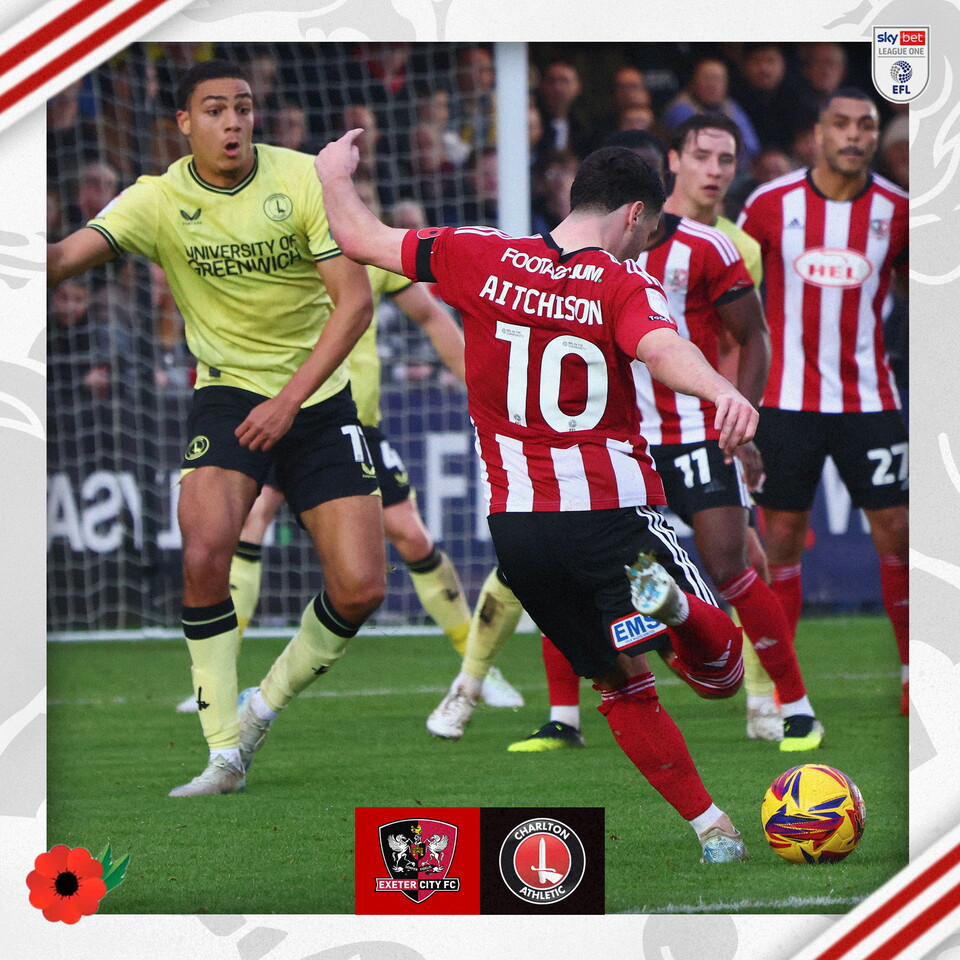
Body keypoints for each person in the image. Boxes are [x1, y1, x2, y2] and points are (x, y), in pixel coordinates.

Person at [316, 129, 759, 862]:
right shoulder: (624, 283)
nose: (645, 246)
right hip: (614, 515)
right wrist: (721, 391)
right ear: (634, 214)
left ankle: (713, 829)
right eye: (648, 231)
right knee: (723, 676)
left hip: (520, 532)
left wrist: (334, 173)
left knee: (620, 689)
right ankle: (677, 609)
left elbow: (359, 237)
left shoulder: (478, 254)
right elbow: (660, 347)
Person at [47, 59, 388, 797]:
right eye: (214, 110)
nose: (233, 122)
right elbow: (59, 260)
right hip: (228, 395)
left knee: (361, 588)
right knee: (203, 553)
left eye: (243, 107)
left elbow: (356, 304)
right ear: (183, 123)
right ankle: (224, 752)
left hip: (318, 398)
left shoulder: (303, 179)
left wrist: (290, 400)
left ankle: (263, 706)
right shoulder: (158, 199)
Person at [510, 115, 822, 754]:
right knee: (568, 570)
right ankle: (563, 717)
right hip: (611, 442)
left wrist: (741, 415)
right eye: (702, 156)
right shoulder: (569, 256)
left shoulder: (709, 247)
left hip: (693, 434)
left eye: (726, 159)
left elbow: (753, 335)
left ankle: (794, 706)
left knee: (731, 567)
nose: (715, 171)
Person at [176, 247, 523, 714]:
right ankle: (217, 679)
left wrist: (484, 391)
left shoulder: (366, 259)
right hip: (274, 414)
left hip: (346, 425)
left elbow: (431, 317)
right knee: (248, 526)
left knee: (410, 536)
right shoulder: (274, 255)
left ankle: (476, 668)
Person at [737, 88, 909, 714]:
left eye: (866, 125)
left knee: (899, 535)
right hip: (786, 403)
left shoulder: (899, 211)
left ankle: (916, 674)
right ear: (819, 132)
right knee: (781, 542)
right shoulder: (768, 206)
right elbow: (733, 298)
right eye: (842, 123)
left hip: (871, 399)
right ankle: (780, 690)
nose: (854, 135)